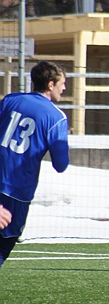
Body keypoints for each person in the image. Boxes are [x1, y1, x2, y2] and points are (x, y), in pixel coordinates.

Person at [0, 61, 69, 269]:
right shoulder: (56, 117)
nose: (64, 88)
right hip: (17, 191)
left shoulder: (10, 100)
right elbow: (61, 165)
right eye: (62, 83)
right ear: (50, 84)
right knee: (3, 246)